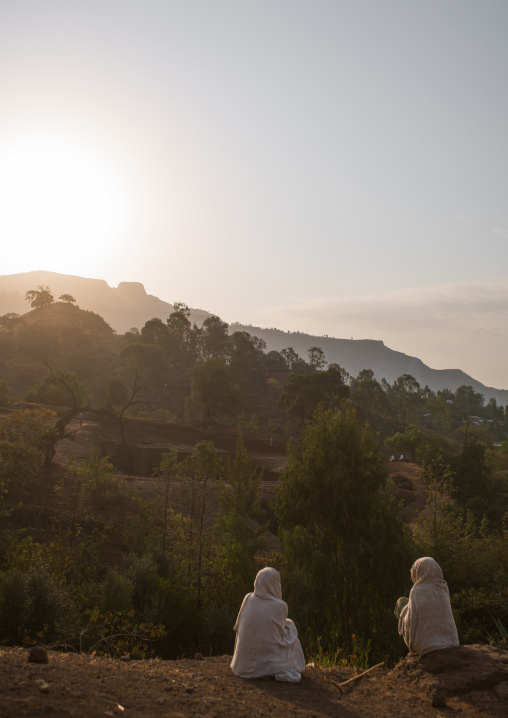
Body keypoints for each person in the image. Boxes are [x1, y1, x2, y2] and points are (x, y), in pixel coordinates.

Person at [230, 567, 306, 682]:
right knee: (291, 627)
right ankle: (294, 665)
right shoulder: (280, 606)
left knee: (288, 624)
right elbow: (281, 632)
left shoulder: (248, 598)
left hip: (240, 667)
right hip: (263, 667)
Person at [396, 557, 459, 656]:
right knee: (408, 606)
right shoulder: (443, 587)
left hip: (426, 645)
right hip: (451, 642)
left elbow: (413, 620)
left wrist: (403, 616)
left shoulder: (417, 590)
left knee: (401, 602)